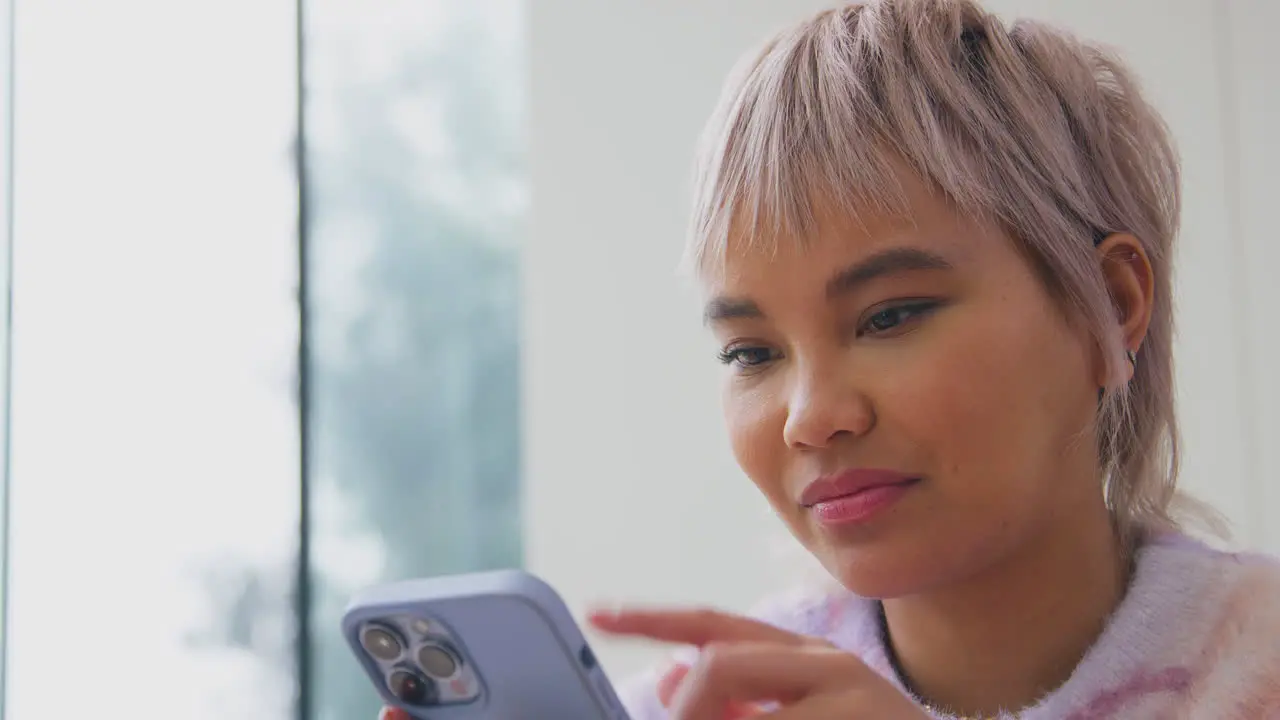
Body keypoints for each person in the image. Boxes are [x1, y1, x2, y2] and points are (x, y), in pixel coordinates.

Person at [382, 0, 1280, 718]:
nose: (811, 415)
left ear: (1111, 307)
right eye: (750, 351)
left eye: (889, 317)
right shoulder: (708, 709)